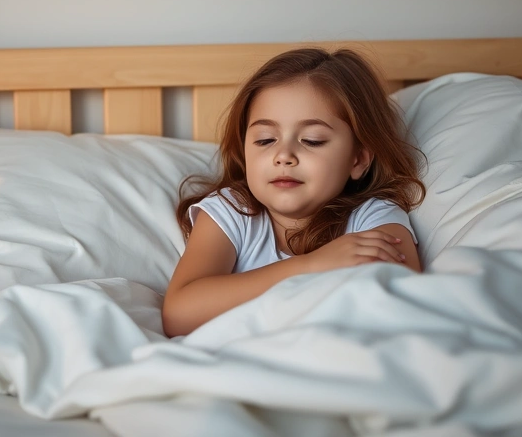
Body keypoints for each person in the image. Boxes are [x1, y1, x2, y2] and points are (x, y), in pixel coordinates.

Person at [162, 47, 426, 337]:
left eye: (311, 140)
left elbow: (401, 302)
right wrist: (311, 266)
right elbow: (178, 315)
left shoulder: (374, 215)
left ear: (358, 159)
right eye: (265, 140)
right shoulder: (232, 211)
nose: (283, 155)